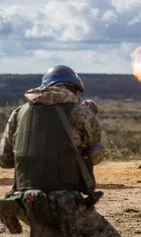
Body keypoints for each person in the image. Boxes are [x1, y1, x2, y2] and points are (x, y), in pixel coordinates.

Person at [0, 65, 120, 236]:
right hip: (66, 203)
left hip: (26, 202)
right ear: (75, 91)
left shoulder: (18, 113)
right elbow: (96, 156)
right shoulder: (80, 113)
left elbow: (4, 160)